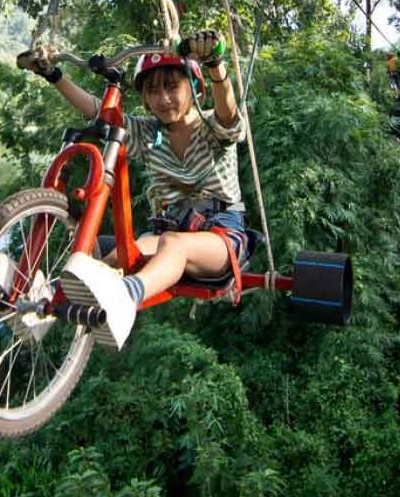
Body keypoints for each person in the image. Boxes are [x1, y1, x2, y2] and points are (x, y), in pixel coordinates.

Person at [20, 30, 248, 349]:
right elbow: (98, 111)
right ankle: (40, 301)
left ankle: (126, 296)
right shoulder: (148, 134)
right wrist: (52, 74)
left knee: (173, 244)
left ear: (195, 88)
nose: (163, 99)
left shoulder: (214, 127)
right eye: (153, 91)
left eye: (172, 87)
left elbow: (229, 114)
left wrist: (215, 65)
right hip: (168, 230)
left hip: (221, 237)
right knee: (115, 256)